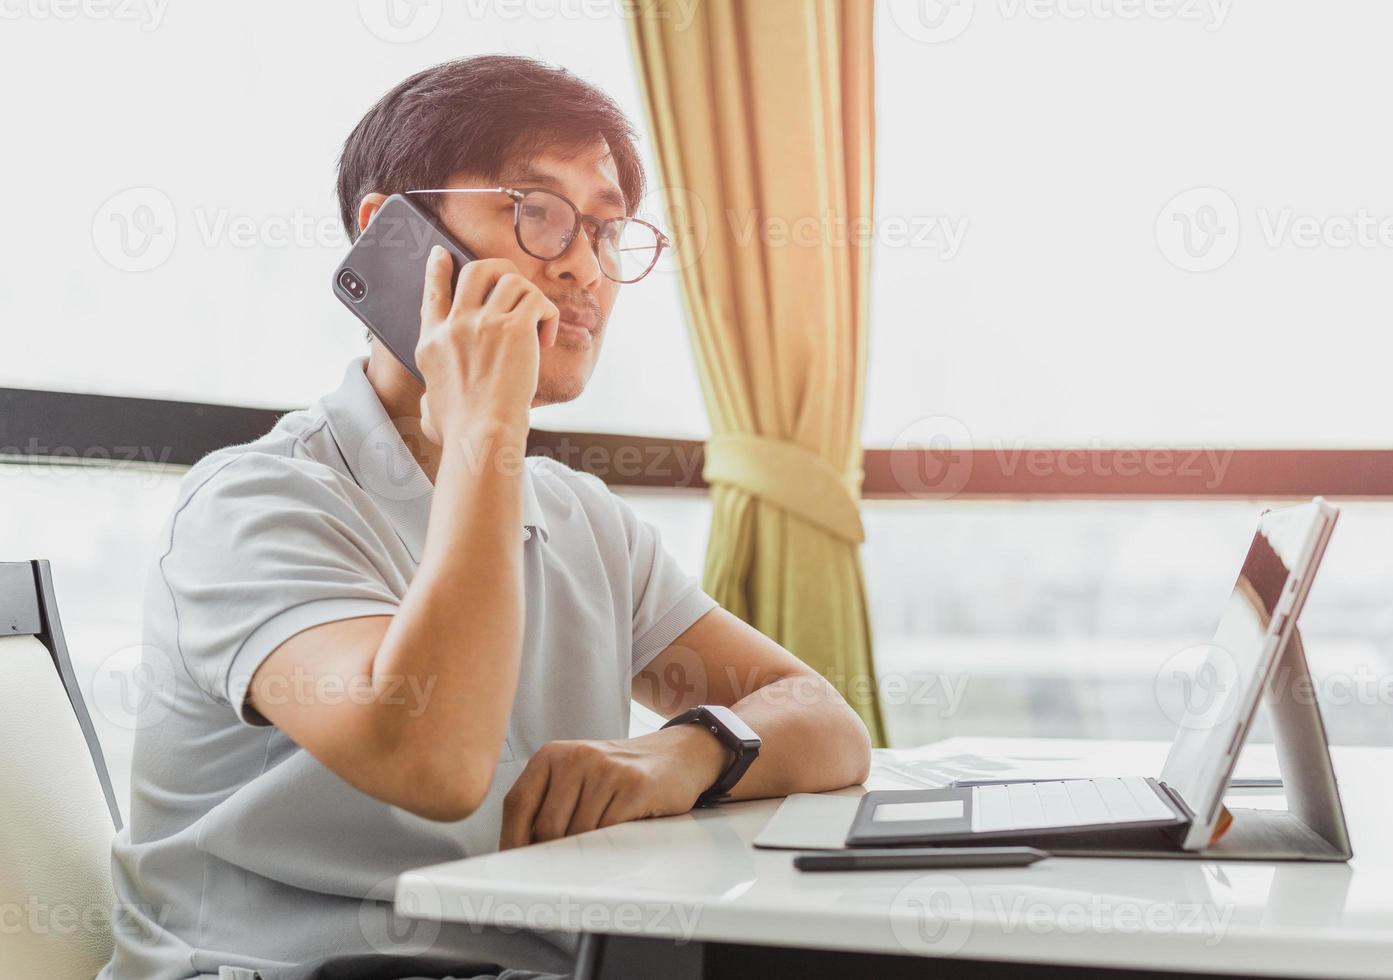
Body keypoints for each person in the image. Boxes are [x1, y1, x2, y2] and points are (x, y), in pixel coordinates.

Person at [101, 55, 871, 980]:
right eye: (535, 210)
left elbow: (825, 722)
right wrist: (484, 430)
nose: (584, 265)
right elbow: (433, 761)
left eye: (607, 229)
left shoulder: (581, 518)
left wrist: (687, 752)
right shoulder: (254, 504)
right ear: (389, 235)